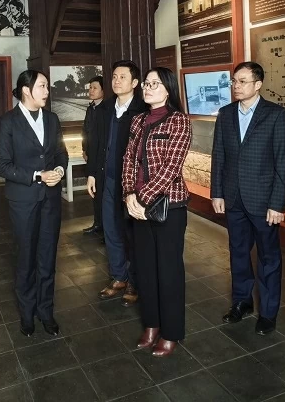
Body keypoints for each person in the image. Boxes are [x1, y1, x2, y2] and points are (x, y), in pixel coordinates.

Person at [210, 61, 285, 335]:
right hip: (233, 198)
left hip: (263, 201)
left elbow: (283, 162)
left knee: (269, 258)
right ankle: (242, 302)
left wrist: (278, 203)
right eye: (234, 81)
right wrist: (217, 193)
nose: (236, 86)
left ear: (258, 85)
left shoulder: (276, 115)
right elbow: (219, 157)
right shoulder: (225, 114)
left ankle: (268, 313)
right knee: (238, 254)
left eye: (243, 81)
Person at [122, 67, 191, 357]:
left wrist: (143, 198)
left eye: (155, 84)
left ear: (168, 89)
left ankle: (171, 332)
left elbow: (171, 168)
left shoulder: (179, 121)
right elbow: (128, 159)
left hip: (168, 207)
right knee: (146, 270)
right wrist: (128, 195)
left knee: (168, 271)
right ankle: (151, 325)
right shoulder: (137, 120)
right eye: (146, 83)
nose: (148, 88)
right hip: (137, 207)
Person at [0, 70, 68, 337]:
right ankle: (27, 315)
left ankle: (45, 311)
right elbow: (2, 165)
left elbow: (61, 153)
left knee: (47, 257)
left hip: (50, 201)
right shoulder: (7, 123)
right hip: (23, 201)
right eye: (42, 86)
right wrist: (37, 176)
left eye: (46, 86)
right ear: (26, 90)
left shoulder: (52, 119)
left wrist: (58, 171)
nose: (47, 91)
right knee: (26, 258)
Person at [88, 61, 148, 307]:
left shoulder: (142, 110)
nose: (116, 81)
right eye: (114, 76)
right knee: (111, 230)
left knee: (131, 233)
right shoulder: (105, 108)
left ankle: (135, 281)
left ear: (134, 83)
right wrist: (92, 173)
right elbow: (95, 142)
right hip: (107, 178)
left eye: (122, 77)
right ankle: (118, 277)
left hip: (132, 184)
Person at [81, 75, 105, 235]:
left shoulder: (106, 109)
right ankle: (97, 223)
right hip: (90, 155)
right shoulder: (91, 108)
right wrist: (84, 149)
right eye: (90, 87)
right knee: (94, 192)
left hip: (101, 157)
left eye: (94, 87)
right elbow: (86, 130)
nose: (91, 90)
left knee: (102, 193)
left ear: (103, 90)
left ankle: (105, 228)